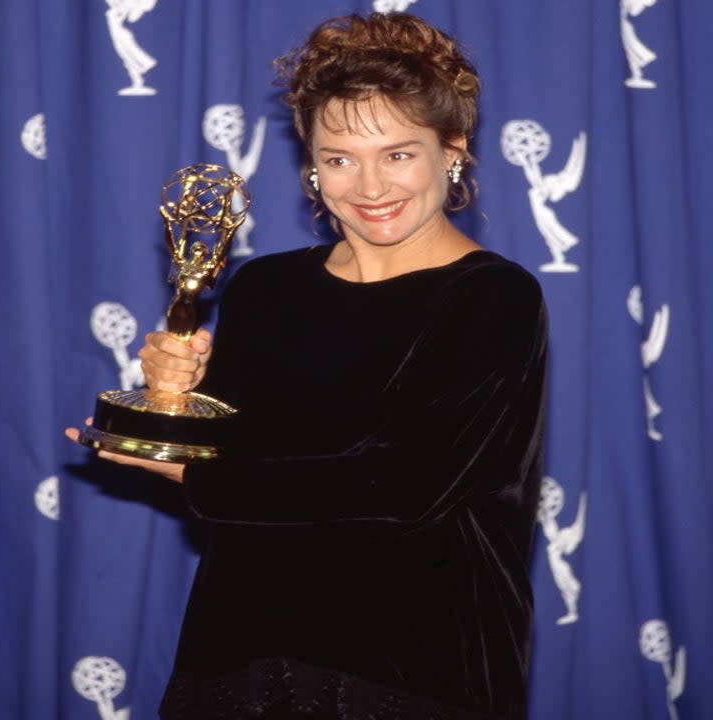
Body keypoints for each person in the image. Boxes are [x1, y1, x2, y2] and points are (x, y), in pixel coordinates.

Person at [67, 12, 547, 720]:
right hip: (238, 649)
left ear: (453, 149)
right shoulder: (265, 287)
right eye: (339, 157)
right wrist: (177, 399)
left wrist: (199, 475)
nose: (369, 184)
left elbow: (405, 483)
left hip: (413, 665)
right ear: (311, 168)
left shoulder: (493, 297)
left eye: (398, 153)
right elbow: (245, 461)